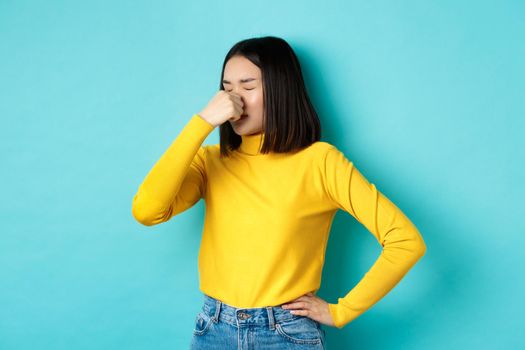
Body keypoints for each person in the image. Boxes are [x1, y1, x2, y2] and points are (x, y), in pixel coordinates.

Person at [131, 36, 426, 349]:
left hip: (285, 334)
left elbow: (405, 241)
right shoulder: (210, 162)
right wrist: (201, 123)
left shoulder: (319, 162)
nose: (234, 99)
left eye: (248, 85)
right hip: (214, 329)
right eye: (227, 87)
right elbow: (147, 211)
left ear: (280, 89)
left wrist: (342, 311)